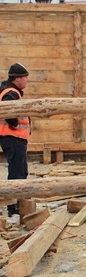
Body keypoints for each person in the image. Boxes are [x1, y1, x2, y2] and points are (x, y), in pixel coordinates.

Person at [0, 62, 31, 218]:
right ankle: (14, 208)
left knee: (20, 171)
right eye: (25, 78)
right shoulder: (11, 92)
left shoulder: (10, 90)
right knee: (17, 173)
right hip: (13, 137)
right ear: (17, 78)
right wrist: (14, 122)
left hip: (13, 138)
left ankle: (17, 204)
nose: (27, 81)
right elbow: (8, 111)